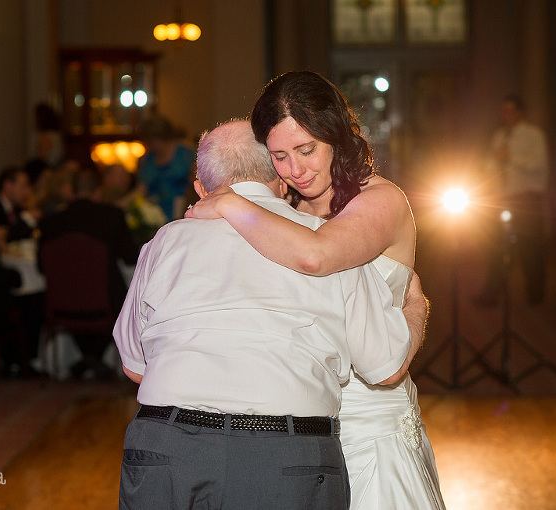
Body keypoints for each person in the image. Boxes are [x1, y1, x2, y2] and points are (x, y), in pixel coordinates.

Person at [115, 120, 422, 510]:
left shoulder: (163, 242)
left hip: (165, 447)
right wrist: (415, 307)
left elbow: (135, 366)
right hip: (281, 455)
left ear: (200, 191)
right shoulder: (326, 243)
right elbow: (386, 366)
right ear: (281, 183)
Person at [186, 71, 445, 509]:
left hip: (369, 428)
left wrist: (229, 202)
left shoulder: (380, 200)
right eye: (280, 156)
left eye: (307, 150)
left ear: (337, 138)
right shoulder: (278, 210)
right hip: (292, 433)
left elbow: (317, 256)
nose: (295, 170)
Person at [38, 169, 139, 379]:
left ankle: (88, 359)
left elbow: (41, 266)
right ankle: (97, 359)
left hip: (61, 304)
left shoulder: (51, 222)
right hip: (107, 303)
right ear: (98, 192)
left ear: (71, 192)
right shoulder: (111, 216)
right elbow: (131, 257)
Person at [475, 94, 549, 306]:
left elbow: (538, 164)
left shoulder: (533, 135)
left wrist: (510, 158)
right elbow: (492, 163)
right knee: (497, 246)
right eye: (502, 111)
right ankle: (491, 293)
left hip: (526, 199)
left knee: (531, 248)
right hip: (502, 198)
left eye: (509, 111)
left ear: (519, 113)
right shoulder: (499, 135)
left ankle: (536, 295)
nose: (504, 115)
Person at [0, 165, 41, 377]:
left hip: (2, 271)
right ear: (7, 185)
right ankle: (19, 360)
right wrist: (29, 219)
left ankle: (24, 359)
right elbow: (4, 242)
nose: (27, 192)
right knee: (31, 297)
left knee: (32, 293)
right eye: (23, 186)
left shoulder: (13, 209)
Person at [136, 115, 195, 221]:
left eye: (152, 140)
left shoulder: (186, 154)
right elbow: (141, 190)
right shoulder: (148, 159)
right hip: (155, 215)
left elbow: (197, 182)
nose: (149, 145)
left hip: (183, 212)